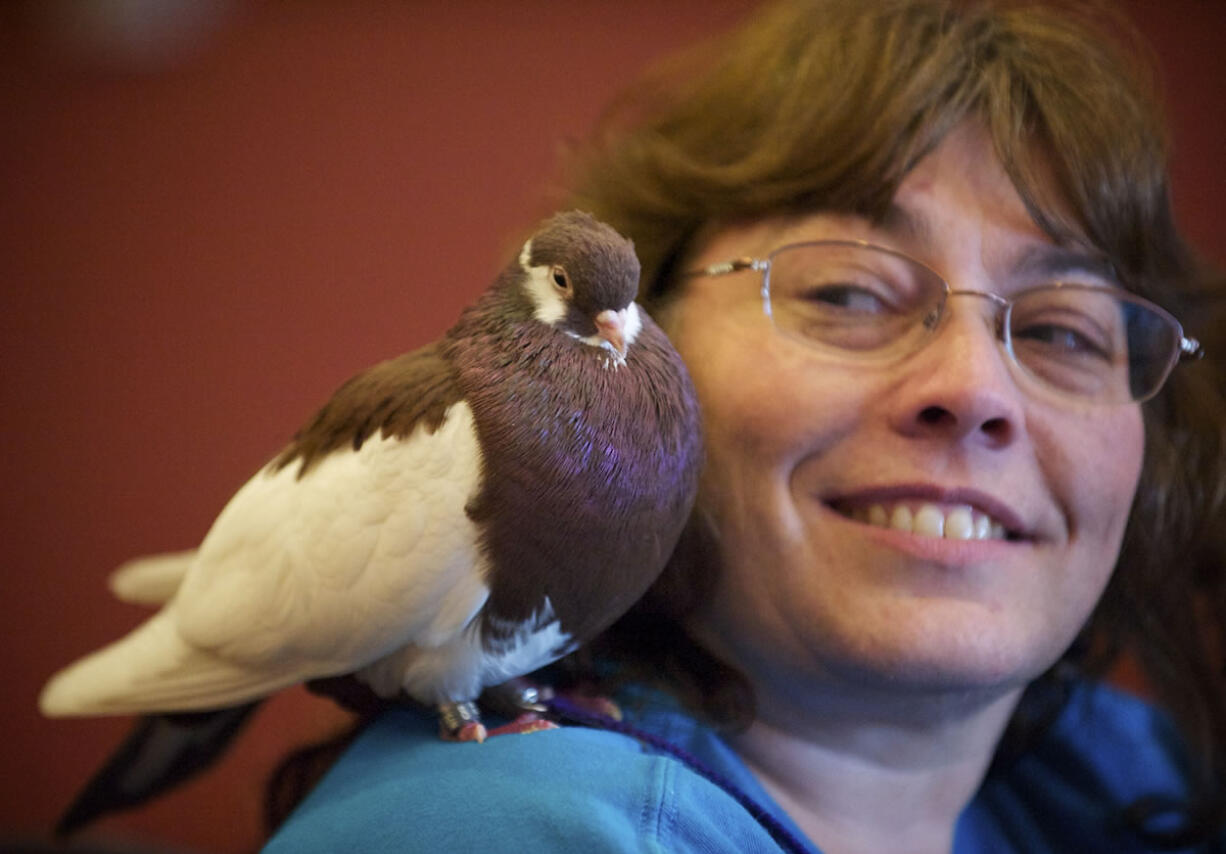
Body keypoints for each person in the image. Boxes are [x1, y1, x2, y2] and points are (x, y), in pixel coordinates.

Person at [261, 0, 1226, 851]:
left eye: (1064, 329)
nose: (975, 389)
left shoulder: (1127, 776)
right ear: (636, 358)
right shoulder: (522, 830)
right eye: (848, 292)